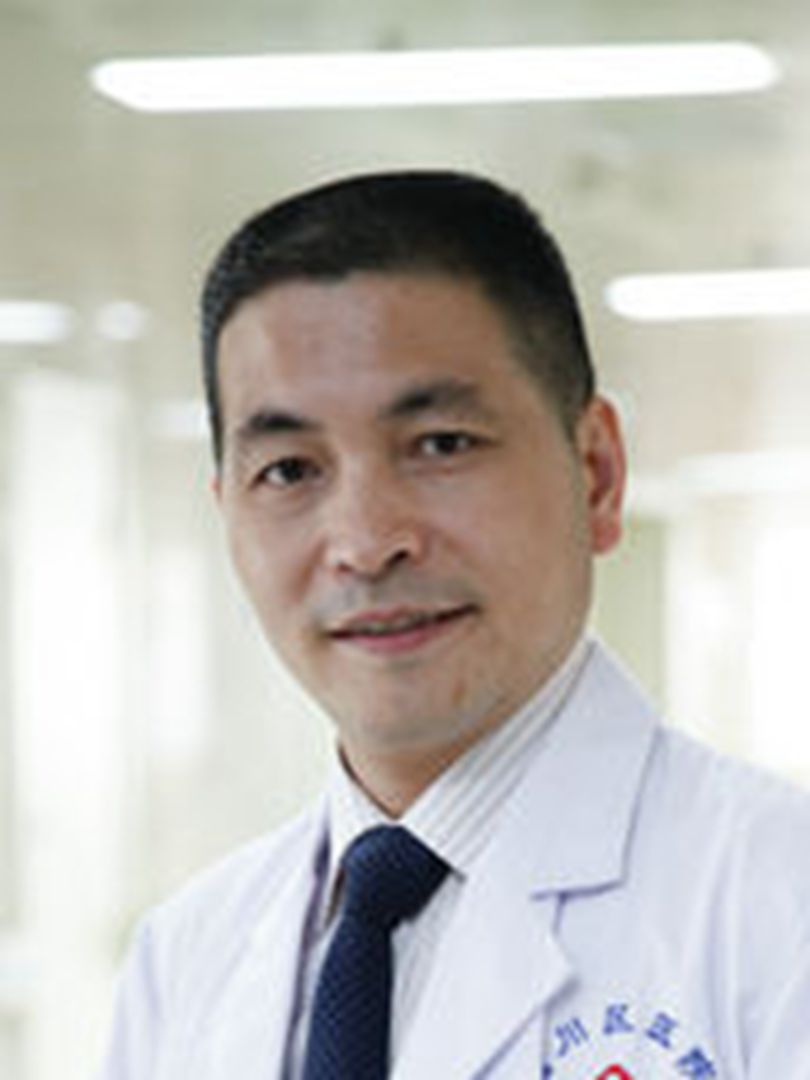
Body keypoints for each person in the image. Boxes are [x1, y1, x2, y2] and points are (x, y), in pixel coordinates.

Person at [99, 170, 810, 1079]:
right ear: (226, 513)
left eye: (441, 445)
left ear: (596, 474)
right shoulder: (185, 962)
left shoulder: (777, 907)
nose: (365, 543)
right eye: (289, 470)